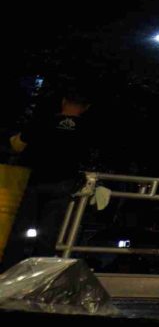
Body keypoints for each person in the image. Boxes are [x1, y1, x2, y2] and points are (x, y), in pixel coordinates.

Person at [7, 88, 96, 260]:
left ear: (63, 101)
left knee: (21, 228)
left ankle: (12, 266)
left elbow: (18, 145)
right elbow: (89, 156)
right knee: (49, 232)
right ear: (86, 107)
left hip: (35, 179)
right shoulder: (87, 129)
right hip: (64, 183)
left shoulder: (43, 121)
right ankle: (41, 267)